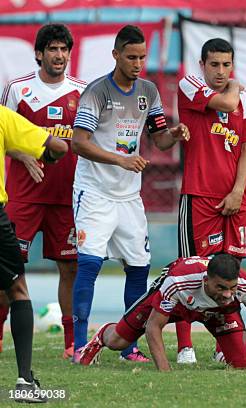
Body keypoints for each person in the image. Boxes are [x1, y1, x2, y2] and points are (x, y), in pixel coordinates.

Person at [70, 25, 189, 363]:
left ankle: (129, 347)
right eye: (131, 57)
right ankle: (80, 345)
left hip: (129, 198)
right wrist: (120, 159)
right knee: (89, 264)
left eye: (142, 57)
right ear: (116, 55)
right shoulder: (96, 92)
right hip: (94, 192)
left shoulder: (149, 91)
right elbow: (79, 143)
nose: (138, 63)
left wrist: (176, 133)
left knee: (139, 267)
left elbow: (160, 138)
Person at [0, 24, 85, 360]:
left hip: (65, 197)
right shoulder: (17, 89)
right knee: (8, 269)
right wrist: (25, 153)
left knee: (71, 269)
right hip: (23, 196)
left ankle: (71, 342)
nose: (59, 55)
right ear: (39, 53)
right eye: (52, 49)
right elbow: (5, 134)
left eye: (64, 49)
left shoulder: (82, 90)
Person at [174, 38, 246, 364]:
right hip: (200, 195)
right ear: (202, 65)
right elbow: (225, 103)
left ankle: (224, 345)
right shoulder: (189, 84)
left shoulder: (245, 100)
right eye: (214, 64)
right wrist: (234, 86)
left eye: (226, 65)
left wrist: (238, 191)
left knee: (228, 275)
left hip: (234, 199)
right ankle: (184, 346)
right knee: (189, 271)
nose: (221, 71)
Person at [78, 254, 246, 370]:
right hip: (177, 304)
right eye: (221, 288)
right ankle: (103, 334)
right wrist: (164, 370)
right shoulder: (178, 281)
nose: (228, 294)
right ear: (206, 280)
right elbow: (154, 327)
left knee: (243, 367)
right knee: (117, 342)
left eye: (231, 288)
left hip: (218, 313)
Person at [0, 104, 69, 402]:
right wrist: (49, 154)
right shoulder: (2, 116)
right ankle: (25, 382)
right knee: (18, 289)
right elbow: (56, 146)